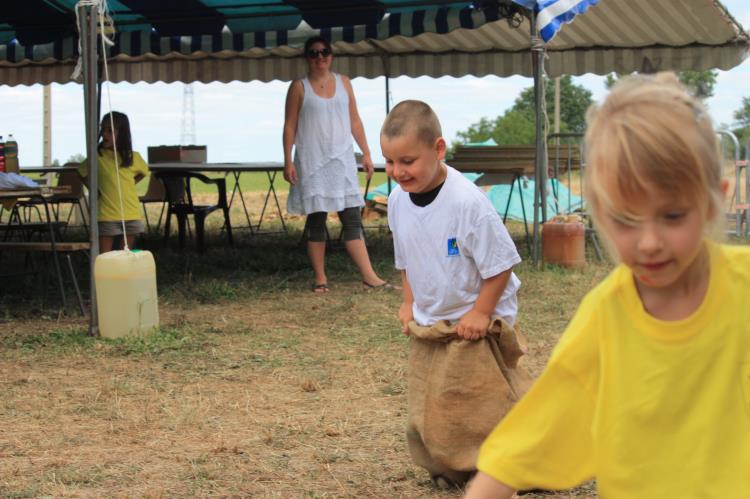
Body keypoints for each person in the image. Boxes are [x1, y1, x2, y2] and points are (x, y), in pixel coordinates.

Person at [465, 72, 750, 498]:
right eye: (625, 220)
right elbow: (529, 440)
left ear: (715, 200)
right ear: (596, 210)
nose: (650, 242)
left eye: (672, 216)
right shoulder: (606, 318)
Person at [382, 100, 522, 485]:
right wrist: (409, 302)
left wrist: (480, 313)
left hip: (479, 317)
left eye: (408, 161)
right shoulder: (397, 201)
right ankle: (456, 464)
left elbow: (500, 264)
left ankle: (507, 467)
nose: (398, 172)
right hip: (435, 321)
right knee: (437, 400)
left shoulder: (466, 202)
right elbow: (406, 258)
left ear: (438, 149)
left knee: (478, 401)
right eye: (390, 162)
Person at [283, 35, 389, 293]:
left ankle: (370, 277)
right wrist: (287, 160)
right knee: (317, 221)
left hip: (342, 160)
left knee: (352, 218)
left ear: (331, 55)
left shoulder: (344, 83)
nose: (320, 57)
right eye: (313, 53)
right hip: (312, 161)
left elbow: (355, 121)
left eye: (324, 52)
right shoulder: (299, 86)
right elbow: (290, 125)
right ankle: (321, 279)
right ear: (306, 57)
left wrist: (366, 152)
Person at [79, 111, 149, 253]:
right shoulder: (97, 156)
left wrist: (129, 184)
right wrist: (95, 188)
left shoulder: (133, 157)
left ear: (121, 134)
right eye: (103, 129)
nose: (104, 134)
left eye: (110, 130)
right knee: (105, 256)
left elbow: (144, 172)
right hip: (107, 215)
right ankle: (104, 276)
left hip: (131, 214)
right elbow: (81, 172)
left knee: (126, 254)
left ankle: (122, 275)